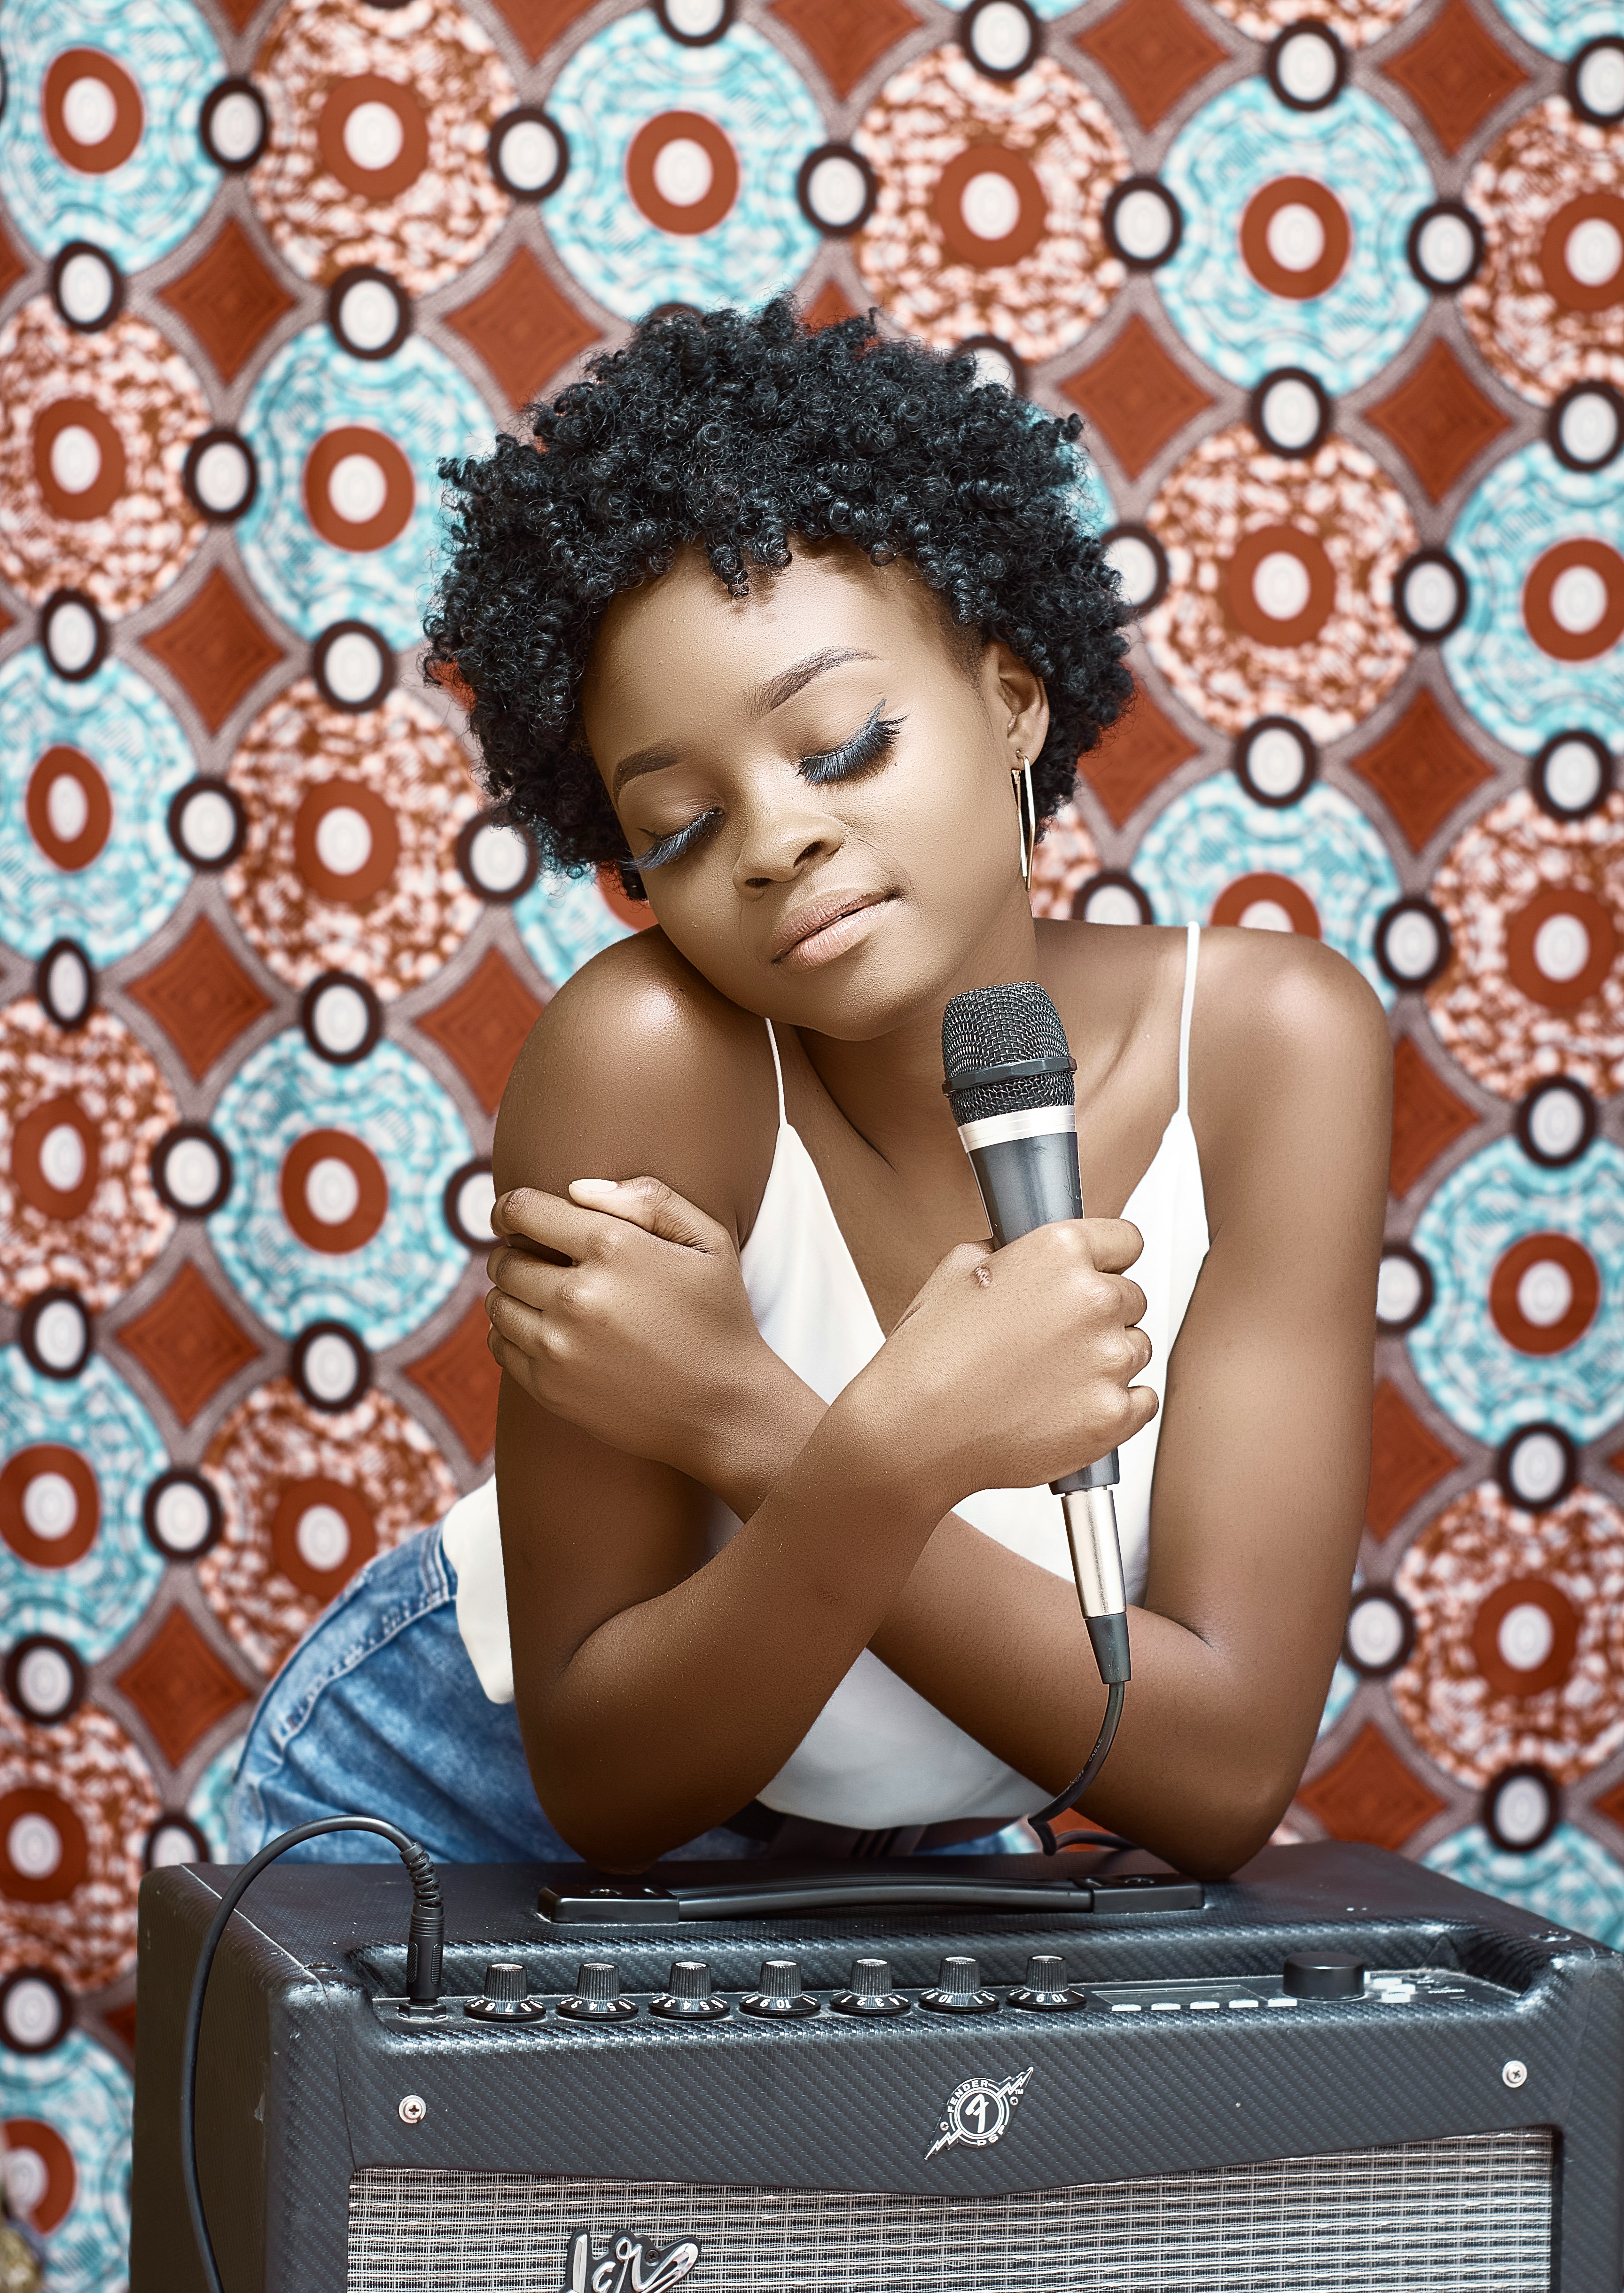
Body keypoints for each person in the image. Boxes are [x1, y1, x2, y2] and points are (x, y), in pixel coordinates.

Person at [228, 301, 1389, 1879]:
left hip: (911, 1844)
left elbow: (1220, 1772)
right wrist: (907, 1450)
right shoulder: (647, 1062)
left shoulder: (1276, 1052)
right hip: (462, 1815)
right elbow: (611, 1791)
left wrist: (764, 1420)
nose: (776, 841)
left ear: (1012, 698)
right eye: (686, 830)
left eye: (841, 745)